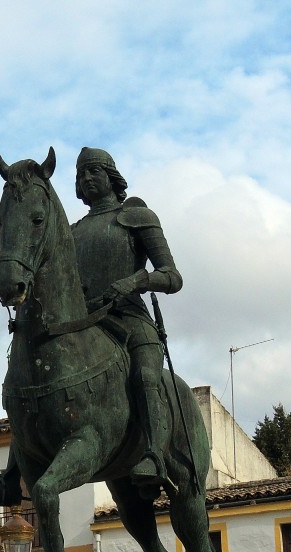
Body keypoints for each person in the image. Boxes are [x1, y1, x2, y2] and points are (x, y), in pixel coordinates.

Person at [71, 147, 183, 494]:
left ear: (111, 177)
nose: (87, 178)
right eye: (81, 174)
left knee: (146, 375)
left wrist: (135, 280)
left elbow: (171, 276)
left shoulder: (136, 216)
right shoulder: (71, 232)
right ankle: (15, 471)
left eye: (94, 171)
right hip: (83, 325)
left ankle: (155, 454)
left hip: (129, 318)